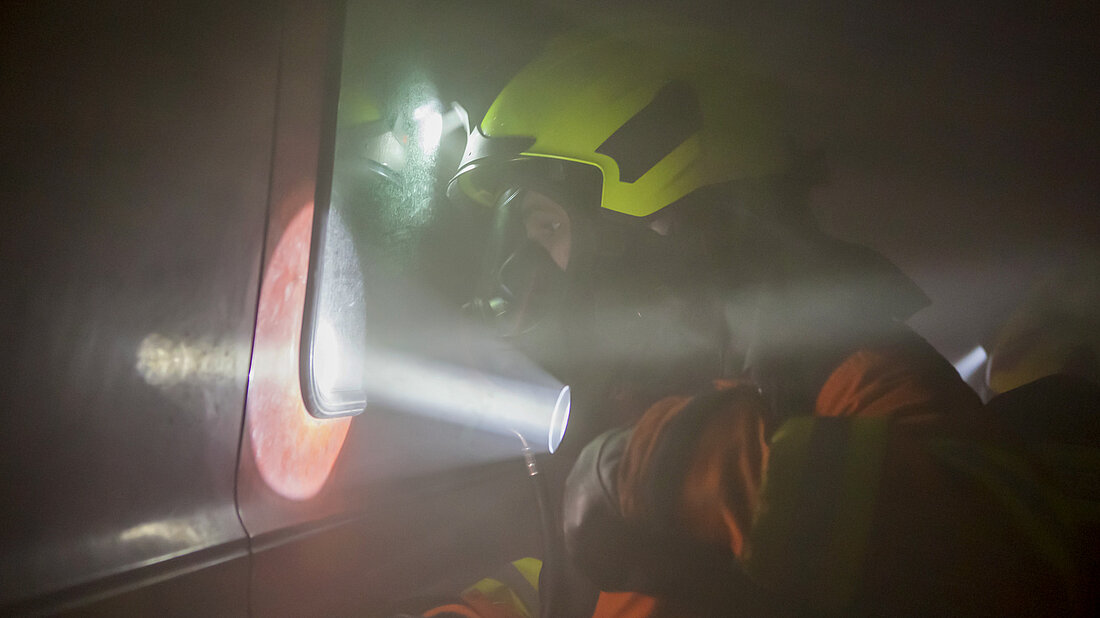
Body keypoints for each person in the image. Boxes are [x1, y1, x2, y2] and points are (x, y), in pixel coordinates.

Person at [414, 27, 1090, 617]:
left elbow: (1012, 564)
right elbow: (571, 580)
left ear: (656, 231)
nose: (521, 272)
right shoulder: (624, 399)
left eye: (548, 225)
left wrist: (716, 471)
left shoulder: (852, 372)